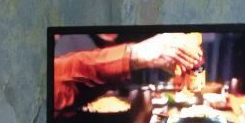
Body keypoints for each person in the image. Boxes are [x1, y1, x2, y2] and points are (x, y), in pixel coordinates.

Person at [53, 32, 203, 114]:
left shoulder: (129, 36)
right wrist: (133, 55)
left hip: (120, 118)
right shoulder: (72, 38)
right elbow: (58, 80)